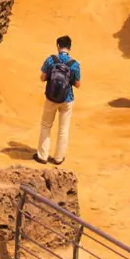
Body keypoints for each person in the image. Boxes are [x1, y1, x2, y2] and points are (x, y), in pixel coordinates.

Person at [37, 35, 81, 166]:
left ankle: (42, 156)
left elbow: (42, 77)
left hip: (51, 98)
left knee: (46, 125)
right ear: (70, 48)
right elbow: (78, 84)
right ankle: (58, 158)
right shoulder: (74, 64)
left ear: (58, 46)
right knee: (63, 128)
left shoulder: (51, 60)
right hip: (67, 99)